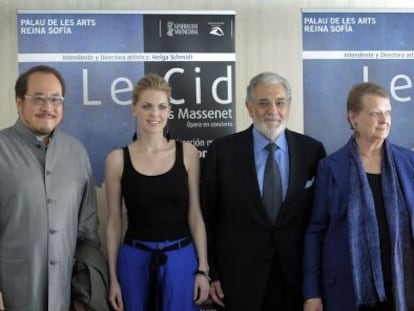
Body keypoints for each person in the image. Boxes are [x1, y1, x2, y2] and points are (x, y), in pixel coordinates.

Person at [201, 71, 326, 310]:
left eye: (280, 102)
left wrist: (315, 284)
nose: (273, 110)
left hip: (295, 280)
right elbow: (208, 216)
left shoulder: (312, 152)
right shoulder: (221, 152)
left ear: (288, 105)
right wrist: (212, 272)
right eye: (263, 103)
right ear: (249, 107)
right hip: (237, 281)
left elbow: (319, 222)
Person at [303, 82, 414, 311]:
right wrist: (311, 293)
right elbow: (316, 232)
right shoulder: (330, 167)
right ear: (353, 118)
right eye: (375, 113)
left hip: (402, 289)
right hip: (347, 289)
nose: (385, 120)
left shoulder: (408, 162)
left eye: (388, 112)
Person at [105, 73, 210, 311]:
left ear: (169, 110)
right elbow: (113, 222)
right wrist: (113, 278)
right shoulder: (117, 160)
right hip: (134, 262)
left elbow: (195, 214)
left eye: (162, 106)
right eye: (147, 106)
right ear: (134, 109)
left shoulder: (188, 153)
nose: (155, 114)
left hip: (181, 261)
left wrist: (203, 268)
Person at [0, 65, 100, 311]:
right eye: (39, 99)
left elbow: (87, 232)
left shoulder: (76, 152)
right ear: (19, 102)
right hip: (13, 294)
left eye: (56, 99)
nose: (48, 107)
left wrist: (83, 294)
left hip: (65, 296)